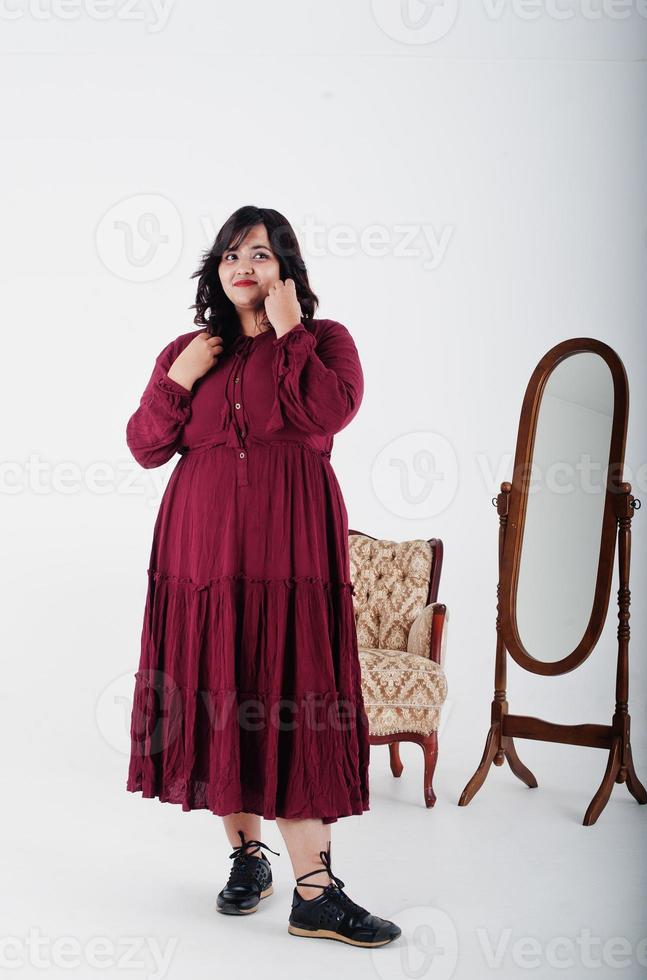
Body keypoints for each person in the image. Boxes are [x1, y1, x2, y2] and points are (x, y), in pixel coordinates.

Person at [125, 205, 401, 947]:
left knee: (294, 690)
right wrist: (178, 380)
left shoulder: (325, 342)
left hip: (292, 555)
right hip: (202, 556)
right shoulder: (192, 350)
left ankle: (316, 890)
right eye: (230, 254)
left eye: (261, 253)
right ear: (216, 271)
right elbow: (146, 446)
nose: (243, 265)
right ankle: (248, 858)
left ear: (286, 268)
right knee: (220, 690)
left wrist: (290, 331)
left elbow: (328, 413)